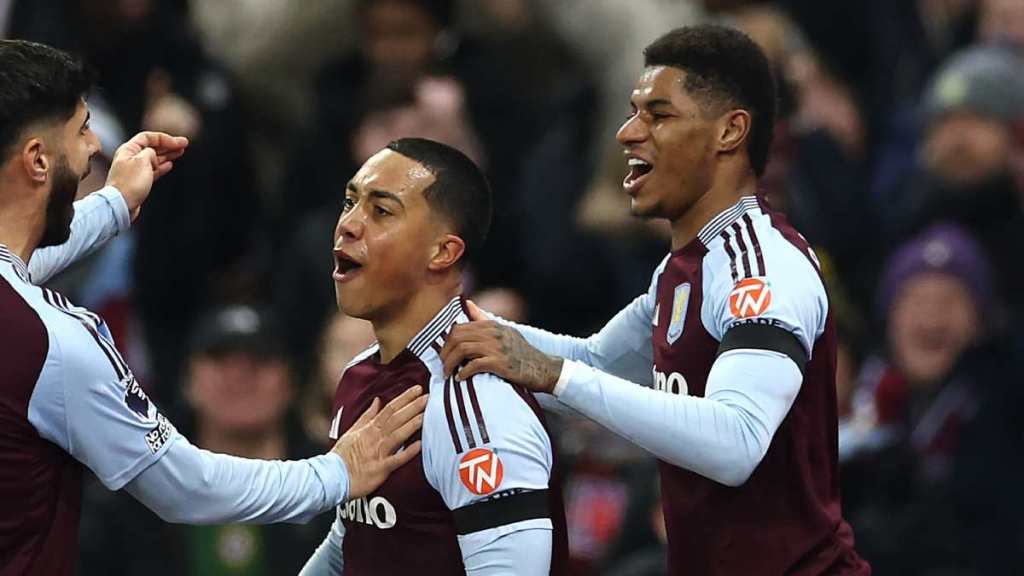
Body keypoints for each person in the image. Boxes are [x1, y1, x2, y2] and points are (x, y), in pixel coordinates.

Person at [441, 25, 870, 575]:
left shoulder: (760, 266)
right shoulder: (683, 268)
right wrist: (451, 326)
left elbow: (736, 443)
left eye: (658, 115)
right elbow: (596, 362)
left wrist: (552, 374)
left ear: (730, 131)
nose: (627, 133)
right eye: (633, 113)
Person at [0, 39, 424, 576]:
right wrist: (338, 472)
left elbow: (20, 263)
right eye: (83, 129)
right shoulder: (52, 342)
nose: (95, 148)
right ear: (38, 160)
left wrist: (116, 203)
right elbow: (183, 486)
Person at [300, 138, 567, 575]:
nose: (348, 225)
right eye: (350, 202)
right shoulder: (357, 374)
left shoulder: (475, 402)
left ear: (443, 252)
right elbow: (354, 538)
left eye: (380, 211)